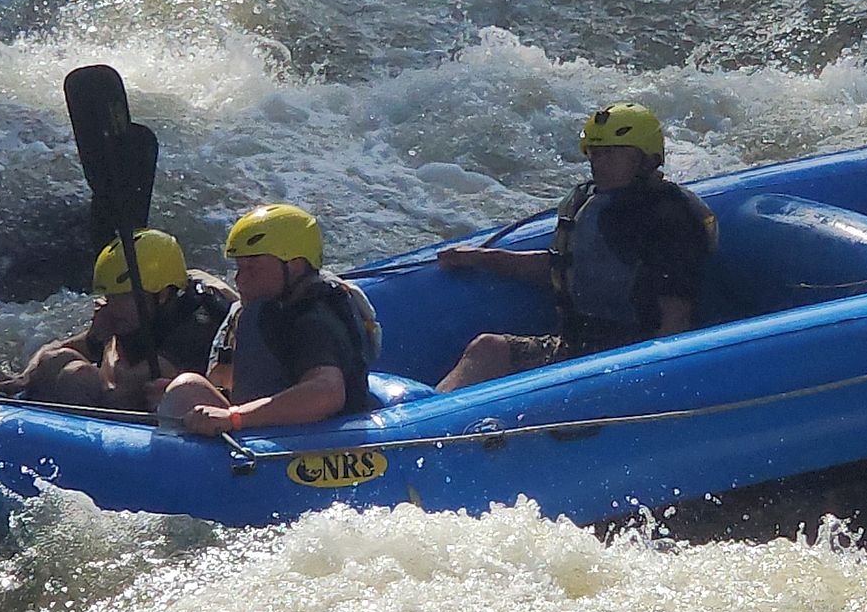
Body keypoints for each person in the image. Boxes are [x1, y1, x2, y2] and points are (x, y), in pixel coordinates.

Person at [434, 103, 718, 391]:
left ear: (645, 159)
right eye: (594, 153)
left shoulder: (667, 218)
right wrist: (482, 258)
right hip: (574, 347)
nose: (599, 162)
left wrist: (639, 385)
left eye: (611, 153)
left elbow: (675, 318)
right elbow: (562, 268)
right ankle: (414, 430)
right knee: (487, 348)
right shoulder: (587, 201)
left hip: (629, 358)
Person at [158, 204, 381, 435]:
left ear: (294, 265)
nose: (239, 280)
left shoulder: (314, 319)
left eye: (252, 269)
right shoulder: (279, 310)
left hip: (313, 444)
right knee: (186, 390)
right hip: (272, 434)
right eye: (239, 268)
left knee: (184, 391)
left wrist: (233, 418)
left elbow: (327, 393)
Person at [0, 229, 237, 410]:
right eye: (109, 297)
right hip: (125, 396)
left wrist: (106, 344)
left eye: (121, 298)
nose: (110, 306)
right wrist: (23, 378)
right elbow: (55, 351)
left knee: (79, 380)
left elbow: (122, 394)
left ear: (161, 295)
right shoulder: (138, 312)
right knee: (59, 361)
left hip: (174, 416)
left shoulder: (196, 324)